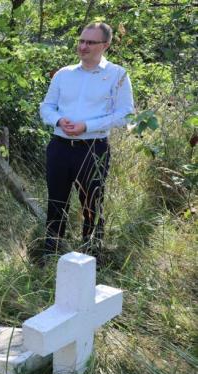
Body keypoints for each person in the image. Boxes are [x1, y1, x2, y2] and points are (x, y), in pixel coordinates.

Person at [39, 22, 134, 257]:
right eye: (81, 40)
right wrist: (59, 121)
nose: (83, 46)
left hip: (93, 149)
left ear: (105, 45)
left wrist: (87, 126)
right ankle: (51, 252)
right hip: (59, 147)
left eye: (90, 42)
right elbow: (47, 107)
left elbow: (126, 114)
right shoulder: (63, 74)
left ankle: (91, 255)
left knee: (92, 204)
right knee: (56, 201)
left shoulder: (117, 75)